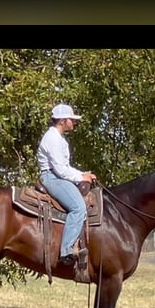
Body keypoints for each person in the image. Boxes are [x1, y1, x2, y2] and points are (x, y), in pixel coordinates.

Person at [37, 103, 97, 266]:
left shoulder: (60, 138)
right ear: (63, 120)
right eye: (71, 119)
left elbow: (65, 166)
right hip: (52, 177)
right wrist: (80, 177)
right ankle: (66, 250)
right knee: (78, 207)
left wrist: (83, 174)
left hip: (58, 175)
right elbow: (60, 169)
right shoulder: (52, 138)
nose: (74, 122)